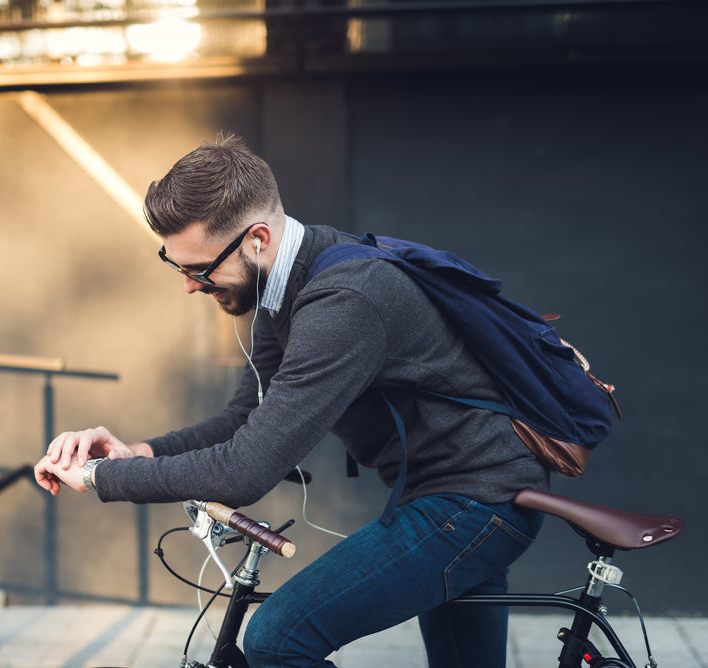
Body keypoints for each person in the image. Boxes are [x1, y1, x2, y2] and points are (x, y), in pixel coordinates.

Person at [34, 134, 548, 668]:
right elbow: (244, 419)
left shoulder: (342, 301)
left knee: (278, 638)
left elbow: (245, 472)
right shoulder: (284, 289)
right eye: (175, 265)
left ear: (257, 237)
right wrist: (133, 453)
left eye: (200, 269)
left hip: (475, 501)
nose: (189, 286)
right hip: (454, 492)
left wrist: (99, 479)